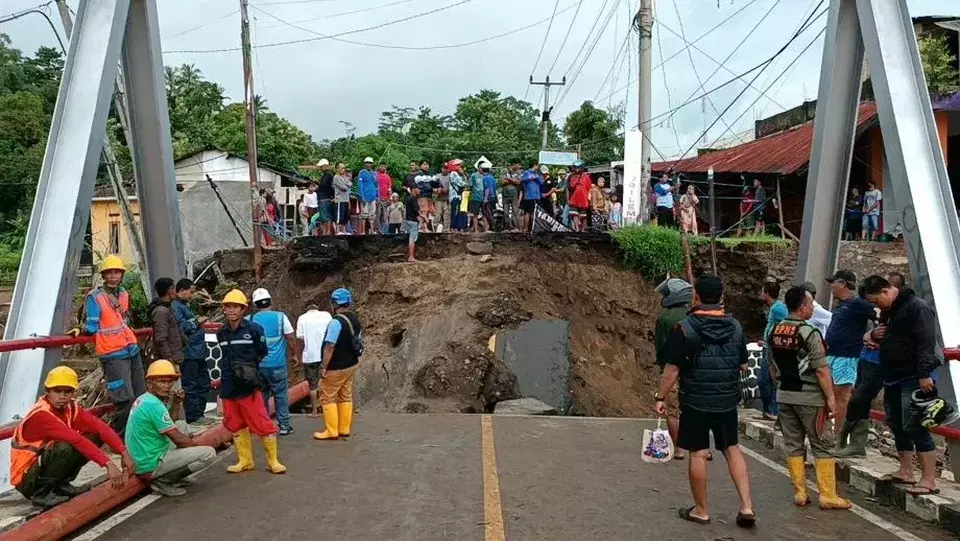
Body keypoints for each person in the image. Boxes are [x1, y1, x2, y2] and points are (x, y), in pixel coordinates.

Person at [655, 275, 755, 527]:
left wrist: (660, 397)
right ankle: (746, 507)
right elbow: (743, 364)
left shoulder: (685, 327)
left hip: (696, 400)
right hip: (726, 399)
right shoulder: (736, 327)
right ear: (721, 297)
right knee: (731, 448)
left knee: (698, 452)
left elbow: (672, 370)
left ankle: (701, 510)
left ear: (696, 296)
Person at [769, 286, 850, 510]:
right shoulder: (809, 333)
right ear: (803, 307)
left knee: (793, 444)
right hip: (811, 398)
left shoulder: (773, 330)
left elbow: (772, 366)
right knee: (823, 444)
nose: (813, 309)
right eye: (811, 305)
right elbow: (822, 370)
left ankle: (800, 493)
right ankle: (828, 495)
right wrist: (831, 398)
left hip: (785, 395)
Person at [10, 367, 134, 508]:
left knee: (94, 436)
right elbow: (75, 439)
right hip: (27, 478)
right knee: (64, 447)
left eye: (67, 391)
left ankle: (61, 484)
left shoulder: (70, 408)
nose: (62, 396)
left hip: (40, 466)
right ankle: (41, 494)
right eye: (57, 391)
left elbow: (99, 427)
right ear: (47, 391)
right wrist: (108, 464)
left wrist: (124, 452)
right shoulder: (41, 415)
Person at [862, 275, 940, 496]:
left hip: (914, 375)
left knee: (916, 424)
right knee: (896, 422)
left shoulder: (918, 308)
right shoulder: (890, 311)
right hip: (893, 374)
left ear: (886, 291)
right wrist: (875, 336)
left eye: (876, 301)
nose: (876, 306)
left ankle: (929, 479)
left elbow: (926, 342)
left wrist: (924, 374)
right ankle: (906, 470)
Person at [216, 289, 286, 474]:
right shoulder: (222, 333)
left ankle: (273, 461)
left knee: (261, 421)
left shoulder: (254, 329)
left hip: (248, 385)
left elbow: (262, 352)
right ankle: (245, 460)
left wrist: (248, 369)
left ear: (243, 309)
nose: (230, 310)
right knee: (236, 423)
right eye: (227, 307)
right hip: (229, 385)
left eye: (234, 307)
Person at [125, 360, 216, 497]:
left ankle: (173, 473)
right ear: (150, 383)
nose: (166, 386)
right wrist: (195, 448)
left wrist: (176, 403)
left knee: (182, 426)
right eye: (162, 382)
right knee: (208, 453)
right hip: (149, 464)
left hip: (144, 456)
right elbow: (178, 439)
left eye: (169, 382)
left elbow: (171, 422)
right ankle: (164, 480)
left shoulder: (146, 399)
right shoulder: (154, 405)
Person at [76, 255, 145, 436]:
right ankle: (120, 439)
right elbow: (91, 326)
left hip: (131, 348)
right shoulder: (95, 297)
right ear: (104, 275)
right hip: (112, 353)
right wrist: (80, 330)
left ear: (121, 275)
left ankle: (136, 435)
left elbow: (123, 320)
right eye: (109, 273)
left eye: (117, 272)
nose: (113, 276)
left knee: (140, 395)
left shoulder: (123, 294)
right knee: (124, 398)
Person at [824, 270, 876, 436]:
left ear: (844, 283)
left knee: (841, 397)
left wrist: (872, 335)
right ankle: (829, 433)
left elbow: (879, 315)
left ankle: (839, 437)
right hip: (832, 355)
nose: (831, 286)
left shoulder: (858, 303)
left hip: (846, 357)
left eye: (834, 282)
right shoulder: (842, 304)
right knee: (827, 394)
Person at [836, 284, 882, 458]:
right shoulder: (881, 313)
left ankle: (842, 439)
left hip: (879, 362)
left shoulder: (902, 312)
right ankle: (856, 444)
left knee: (857, 400)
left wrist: (876, 339)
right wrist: (869, 335)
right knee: (860, 401)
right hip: (866, 358)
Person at [314, 288, 363, 441]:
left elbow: (330, 346)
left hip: (336, 366)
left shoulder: (336, 322)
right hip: (351, 364)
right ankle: (344, 428)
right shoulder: (355, 319)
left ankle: (332, 430)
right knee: (345, 395)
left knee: (327, 397)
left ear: (334, 303)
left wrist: (323, 367)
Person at [249, 288, 297, 436]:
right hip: (277, 365)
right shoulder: (281, 317)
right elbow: (290, 337)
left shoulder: (249, 320)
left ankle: (264, 426)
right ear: (270, 301)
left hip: (259, 366)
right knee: (281, 395)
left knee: (261, 396)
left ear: (255, 304)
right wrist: (294, 354)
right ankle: (284, 425)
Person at [654, 277, 693, 461]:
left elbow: (660, 346)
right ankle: (701, 448)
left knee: (672, 410)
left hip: (672, 370)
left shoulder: (664, 318)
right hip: (693, 372)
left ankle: (678, 449)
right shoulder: (693, 314)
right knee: (693, 410)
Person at [171, 278, 214, 426]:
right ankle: (194, 416)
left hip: (198, 351)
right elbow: (182, 328)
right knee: (192, 385)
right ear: (182, 290)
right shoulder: (176, 307)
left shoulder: (184, 306)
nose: (192, 295)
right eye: (191, 291)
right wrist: (197, 322)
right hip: (189, 353)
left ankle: (199, 414)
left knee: (203, 383)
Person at [296, 304, 333, 418]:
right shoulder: (326, 315)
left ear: (307, 310)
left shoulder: (302, 318)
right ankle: (328, 409)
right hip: (325, 355)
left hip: (310, 356)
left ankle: (314, 411)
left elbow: (300, 337)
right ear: (317, 308)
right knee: (327, 382)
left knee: (312, 385)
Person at [759, 281, 787, 421]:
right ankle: (768, 410)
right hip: (767, 347)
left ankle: (772, 410)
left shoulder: (778, 309)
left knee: (766, 380)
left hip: (772, 350)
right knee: (767, 380)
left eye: (762, 291)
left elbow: (786, 324)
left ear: (767, 293)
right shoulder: (774, 308)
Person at [148, 278, 185, 366]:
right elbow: (161, 339)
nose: (176, 292)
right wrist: (170, 361)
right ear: (170, 290)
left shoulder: (167, 308)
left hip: (174, 358)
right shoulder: (161, 311)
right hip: (168, 362)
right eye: (174, 288)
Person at [520, 160, 543, 232]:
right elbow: (522, 180)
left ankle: (533, 228)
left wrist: (536, 177)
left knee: (535, 212)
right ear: (535, 165)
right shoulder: (526, 173)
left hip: (537, 196)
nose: (538, 167)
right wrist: (529, 178)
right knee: (527, 212)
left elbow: (541, 182)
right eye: (537, 165)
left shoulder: (537, 173)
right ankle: (526, 228)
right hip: (529, 196)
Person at [567, 161, 592, 231]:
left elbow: (589, 188)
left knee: (583, 215)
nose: (577, 169)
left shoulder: (586, 177)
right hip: (574, 198)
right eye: (575, 167)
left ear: (581, 168)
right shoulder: (572, 176)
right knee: (574, 214)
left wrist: (589, 198)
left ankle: (583, 229)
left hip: (583, 198)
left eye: (578, 167)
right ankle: (577, 229)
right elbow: (570, 187)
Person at [358, 157, 379, 235]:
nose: (368, 164)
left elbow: (377, 185)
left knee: (372, 214)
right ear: (364, 164)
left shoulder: (374, 173)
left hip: (373, 196)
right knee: (364, 214)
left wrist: (377, 196)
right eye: (367, 163)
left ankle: (372, 230)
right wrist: (361, 196)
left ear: (372, 164)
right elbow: (360, 185)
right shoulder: (362, 172)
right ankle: (363, 231)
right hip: (365, 197)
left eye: (370, 163)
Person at [315, 159, 334, 235]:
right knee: (324, 216)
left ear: (325, 166)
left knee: (326, 215)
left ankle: (328, 231)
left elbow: (323, 185)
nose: (320, 168)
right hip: (324, 197)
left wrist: (317, 184)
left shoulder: (327, 175)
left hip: (325, 198)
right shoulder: (327, 175)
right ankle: (326, 231)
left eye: (321, 167)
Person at [502, 161, 522, 231]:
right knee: (505, 211)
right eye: (517, 164)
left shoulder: (518, 172)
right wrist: (513, 181)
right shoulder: (504, 171)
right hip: (505, 194)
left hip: (514, 194)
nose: (518, 166)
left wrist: (509, 179)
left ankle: (517, 227)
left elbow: (518, 182)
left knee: (515, 211)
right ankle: (507, 227)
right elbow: (503, 181)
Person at [447, 159, 467, 231]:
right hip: (455, 196)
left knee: (459, 212)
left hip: (458, 196)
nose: (460, 167)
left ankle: (458, 227)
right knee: (455, 212)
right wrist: (463, 175)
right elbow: (462, 183)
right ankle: (453, 227)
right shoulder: (453, 173)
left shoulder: (457, 174)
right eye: (459, 165)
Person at [468, 163, 489, 233]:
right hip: (475, 197)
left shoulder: (485, 176)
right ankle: (476, 230)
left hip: (483, 198)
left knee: (484, 214)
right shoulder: (473, 176)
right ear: (478, 167)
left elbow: (487, 188)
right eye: (481, 167)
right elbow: (470, 186)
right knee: (475, 214)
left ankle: (486, 229)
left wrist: (486, 197)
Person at [333, 163, 352, 234]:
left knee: (345, 216)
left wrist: (346, 183)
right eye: (341, 168)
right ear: (337, 169)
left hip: (346, 199)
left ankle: (344, 231)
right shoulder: (336, 177)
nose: (343, 169)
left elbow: (350, 184)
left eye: (344, 168)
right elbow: (344, 188)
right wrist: (346, 184)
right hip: (339, 200)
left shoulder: (344, 177)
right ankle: (337, 231)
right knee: (339, 216)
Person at [405, 186, 423, 262]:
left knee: (410, 238)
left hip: (408, 220)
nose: (419, 190)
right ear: (413, 190)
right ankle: (411, 256)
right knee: (412, 239)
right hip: (413, 221)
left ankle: (410, 256)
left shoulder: (408, 198)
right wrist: (423, 217)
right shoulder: (413, 198)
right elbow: (416, 210)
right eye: (418, 188)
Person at [376, 162, 393, 234]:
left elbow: (389, 188)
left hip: (386, 199)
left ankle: (384, 230)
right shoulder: (375, 175)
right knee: (378, 214)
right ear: (379, 166)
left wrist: (390, 198)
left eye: (384, 166)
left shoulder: (388, 177)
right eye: (382, 166)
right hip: (377, 198)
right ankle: (378, 229)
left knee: (384, 215)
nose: (383, 168)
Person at [435, 162, 451, 233]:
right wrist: (438, 190)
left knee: (447, 216)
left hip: (448, 199)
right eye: (444, 168)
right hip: (438, 198)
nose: (445, 170)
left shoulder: (451, 176)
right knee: (437, 215)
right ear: (441, 168)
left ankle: (446, 230)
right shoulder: (437, 176)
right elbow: (432, 187)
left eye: (447, 168)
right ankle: (434, 229)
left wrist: (447, 190)